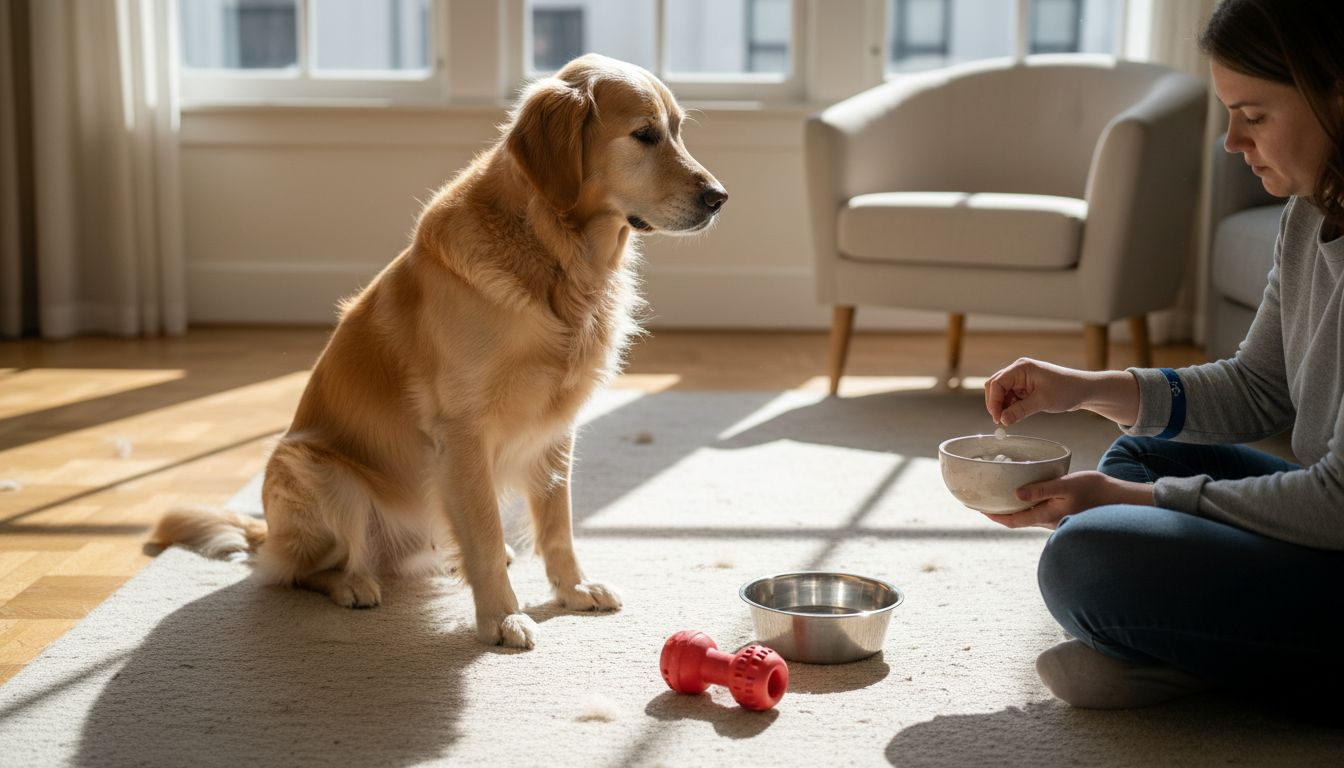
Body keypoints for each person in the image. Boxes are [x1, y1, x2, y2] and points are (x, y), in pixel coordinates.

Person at [980, 0, 1344, 712]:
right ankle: (1203, 655)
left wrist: (1130, 503)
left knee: (1091, 554)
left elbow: (1338, 503)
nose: (1232, 141)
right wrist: (1081, 388)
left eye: (1255, 114)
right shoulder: (1311, 213)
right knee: (1145, 455)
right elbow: (1256, 387)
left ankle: (1202, 658)